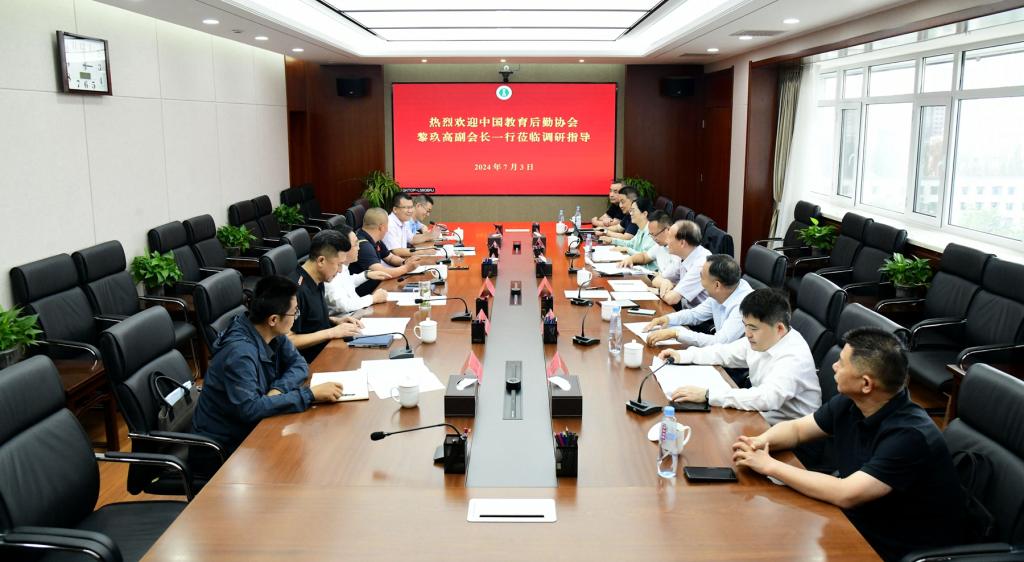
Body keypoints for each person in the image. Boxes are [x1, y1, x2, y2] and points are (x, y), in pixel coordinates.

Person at [731, 327, 966, 561]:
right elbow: (797, 430)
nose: (834, 366)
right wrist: (760, 441)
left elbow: (846, 493)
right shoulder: (851, 402)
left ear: (866, 384)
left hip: (896, 546)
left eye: (842, 363)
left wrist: (770, 466)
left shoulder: (910, 436)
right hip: (859, 520)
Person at [191, 275, 344, 458]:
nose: (296, 317)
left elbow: (299, 364)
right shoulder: (239, 354)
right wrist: (310, 395)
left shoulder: (270, 331)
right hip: (225, 447)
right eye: (294, 312)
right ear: (273, 319)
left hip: (252, 428)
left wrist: (278, 390)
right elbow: (250, 409)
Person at [657, 289, 820, 425]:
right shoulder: (764, 337)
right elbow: (724, 353)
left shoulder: (794, 358)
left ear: (779, 329)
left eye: (753, 328)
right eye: (745, 325)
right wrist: (683, 355)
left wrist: (707, 395)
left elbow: (765, 398)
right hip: (762, 416)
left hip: (791, 433)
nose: (747, 334)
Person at [643, 254, 753, 347]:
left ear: (717, 285)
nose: (700, 282)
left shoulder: (743, 306)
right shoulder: (724, 290)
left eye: (702, 277)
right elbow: (695, 314)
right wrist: (667, 318)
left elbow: (719, 342)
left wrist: (676, 333)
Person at [288, 229, 364, 364]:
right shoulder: (294, 291)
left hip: (328, 349)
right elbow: (288, 340)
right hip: (310, 363)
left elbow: (309, 320)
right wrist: (332, 332)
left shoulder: (319, 279)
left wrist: (335, 321)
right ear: (321, 261)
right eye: (339, 264)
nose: (340, 270)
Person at [351, 207, 423, 296]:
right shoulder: (363, 246)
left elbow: (390, 257)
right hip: (366, 295)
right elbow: (382, 273)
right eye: (387, 226)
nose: (387, 230)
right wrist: (406, 268)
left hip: (378, 287)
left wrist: (405, 262)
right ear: (381, 227)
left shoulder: (374, 238)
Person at [324, 224, 391, 315]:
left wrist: (366, 275)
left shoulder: (343, 266)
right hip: (346, 318)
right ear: (343, 248)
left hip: (357, 312)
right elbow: (343, 305)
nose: (359, 248)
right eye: (355, 244)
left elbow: (346, 283)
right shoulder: (329, 273)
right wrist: (373, 298)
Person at [652, 220, 710, 308]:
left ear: (682, 243)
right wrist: (664, 282)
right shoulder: (682, 255)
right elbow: (656, 279)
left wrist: (662, 289)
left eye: (669, 237)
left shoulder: (702, 264)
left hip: (701, 315)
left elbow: (672, 299)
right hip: (687, 311)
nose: (666, 241)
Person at [600, 198, 657, 267]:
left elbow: (645, 256)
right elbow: (630, 243)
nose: (630, 214)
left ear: (644, 214)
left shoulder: (652, 231)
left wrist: (627, 250)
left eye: (633, 210)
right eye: (630, 211)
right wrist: (612, 240)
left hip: (648, 270)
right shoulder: (641, 229)